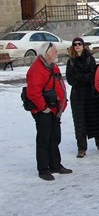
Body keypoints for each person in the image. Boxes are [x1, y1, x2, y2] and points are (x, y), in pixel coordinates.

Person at [26, 42, 72, 181]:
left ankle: (55, 165)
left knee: (55, 138)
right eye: (55, 51)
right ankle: (43, 169)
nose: (57, 53)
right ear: (47, 53)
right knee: (44, 139)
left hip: (54, 109)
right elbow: (33, 92)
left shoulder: (53, 66)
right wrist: (43, 108)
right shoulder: (37, 69)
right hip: (43, 110)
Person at [66, 37, 99, 158]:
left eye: (79, 44)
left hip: (91, 93)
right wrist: (83, 77)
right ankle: (81, 147)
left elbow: (93, 75)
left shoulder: (90, 59)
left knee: (95, 118)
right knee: (80, 121)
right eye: (75, 44)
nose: (77, 46)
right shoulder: (71, 61)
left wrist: (81, 77)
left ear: (83, 46)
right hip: (77, 95)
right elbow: (70, 79)